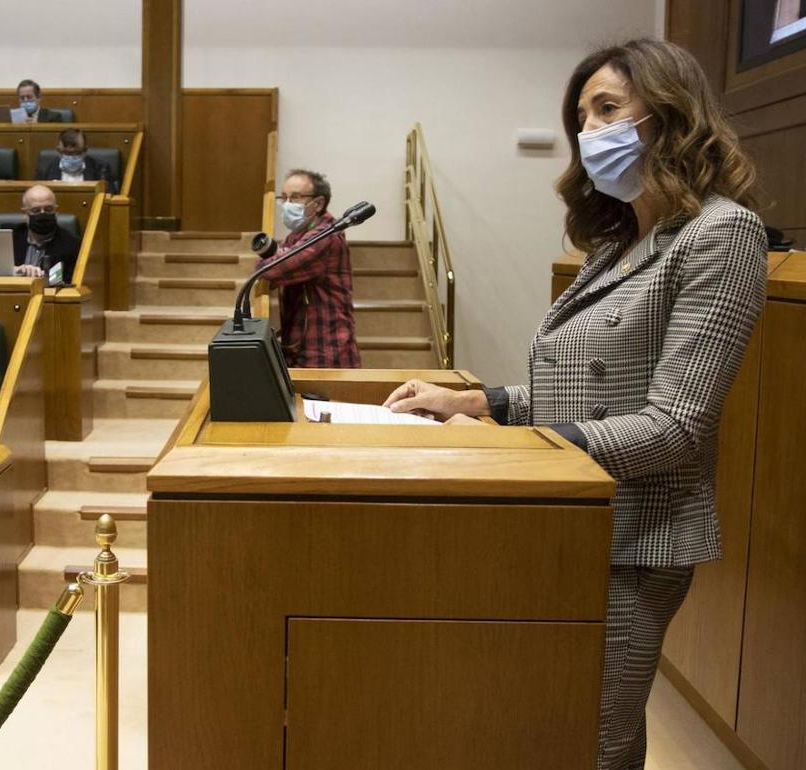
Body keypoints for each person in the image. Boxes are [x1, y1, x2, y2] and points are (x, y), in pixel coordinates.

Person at [381, 39, 766, 770]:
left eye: (608, 109)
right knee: (547, 718)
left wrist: (516, 448)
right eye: (582, 116)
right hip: (567, 518)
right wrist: (478, 401)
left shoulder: (721, 234)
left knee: (594, 739)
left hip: (635, 533)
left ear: (669, 115)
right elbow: (579, 392)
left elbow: (674, 426)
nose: (590, 131)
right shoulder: (618, 242)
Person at [256, 169, 360, 368]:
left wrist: (271, 258)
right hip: (302, 346)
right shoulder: (299, 235)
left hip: (326, 351)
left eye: (295, 197)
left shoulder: (326, 236)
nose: (287, 205)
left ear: (318, 203)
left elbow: (272, 269)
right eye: (283, 198)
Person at [12, 185, 79, 285]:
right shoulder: (11, 238)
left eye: (48, 209)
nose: (42, 214)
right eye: (36, 210)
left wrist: (46, 279)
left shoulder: (71, 245)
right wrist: (14, 270)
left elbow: (70, 285)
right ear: (25, 214)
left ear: (56, 212)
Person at [34, 128, 118, 192]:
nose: (71, 157)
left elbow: (108, 196)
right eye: (66, 153)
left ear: (85, 150)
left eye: (77, 153)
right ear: (58, 151)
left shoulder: (101, 168)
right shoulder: (44, 169)